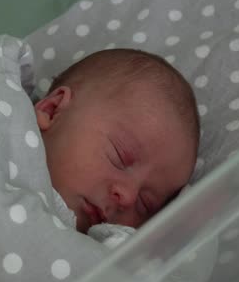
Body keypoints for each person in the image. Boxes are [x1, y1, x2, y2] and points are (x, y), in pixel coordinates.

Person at [34, 49, 200, 233]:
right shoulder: (2, 125)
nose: (127, 197)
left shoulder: (101, 252)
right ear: (52, 110)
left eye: (144, 205)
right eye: (119, 156)